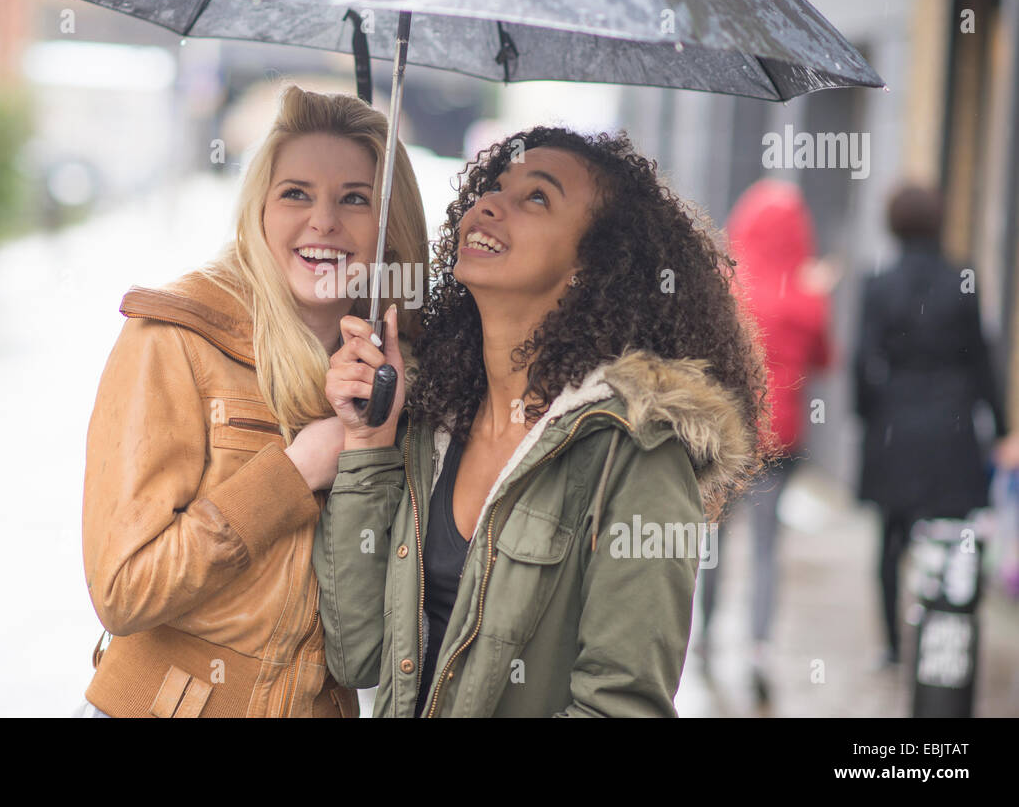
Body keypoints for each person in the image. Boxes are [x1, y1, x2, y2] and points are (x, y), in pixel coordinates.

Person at [311, 128, 770, 717]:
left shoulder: (632, 453)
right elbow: (357, 655)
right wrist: (368, 439)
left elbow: (619, 709)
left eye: (537, 198)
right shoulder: (432, 418)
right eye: (495, 186)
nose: (490, 204)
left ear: (593, 264)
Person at [77, 85, 429, 717]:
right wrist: (292, 474)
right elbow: (124, 590)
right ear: (259, 209)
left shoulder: (399, 381)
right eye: (296, 193)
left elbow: (367, 649)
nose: (323, 221)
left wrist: (370, 442)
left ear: (388, 227)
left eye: (355, 199)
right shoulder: (177, 337)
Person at [853, 184, 1010, 667]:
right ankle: (943, 633)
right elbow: (982, 359)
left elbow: (862, 362)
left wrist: (869, 415)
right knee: (952, 536)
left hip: (896, 425)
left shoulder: (878, 282)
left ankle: (891, 647)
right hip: (952, 425)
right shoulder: (962, 278)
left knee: (890, 539)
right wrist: (1002, 428)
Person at [696, 179, 833, 703]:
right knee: (767, 547)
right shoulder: (806, 295)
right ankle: (759, 647)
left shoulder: (726, 283)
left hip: (730, 437)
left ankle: (706, 637)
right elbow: (825, 359)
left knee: (716, 539)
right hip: (782, 440)